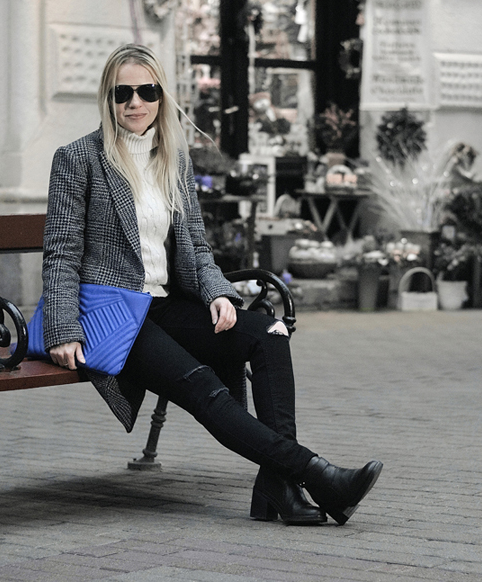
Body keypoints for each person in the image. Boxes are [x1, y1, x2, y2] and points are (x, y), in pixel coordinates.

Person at [41, 44, 382, 525]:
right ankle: (315, 474)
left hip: (164, 305)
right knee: (204, 388)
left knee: (266, 334)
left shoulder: (173, 161)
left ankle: (277, 489)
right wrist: (62, 329)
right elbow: (61, 252)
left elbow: (197, 250)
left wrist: (219, 292)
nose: (134, 103)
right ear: (108, 98)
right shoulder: (80, 159)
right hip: (115, 315)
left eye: (146, 91)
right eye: (123, 93)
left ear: (161, 95)